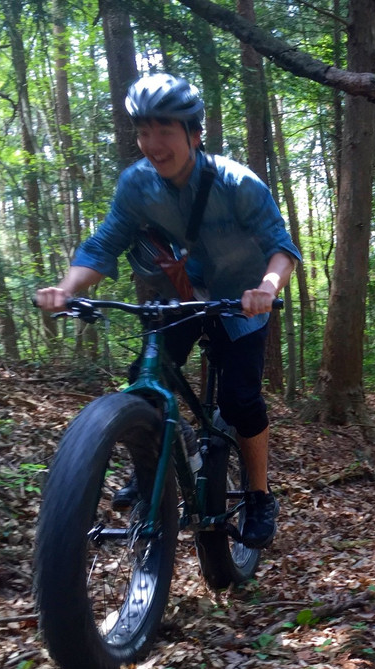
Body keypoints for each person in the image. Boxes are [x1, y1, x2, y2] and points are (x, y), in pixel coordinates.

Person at [34, 73, 300, 549]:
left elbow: (282, 249)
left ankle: (260, 495)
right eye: (143, 132)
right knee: (146, 375)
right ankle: (152, 464)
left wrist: (266, 287)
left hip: (242, 300)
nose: (152, 144)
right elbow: (104, 244)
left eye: (164, 131)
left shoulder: (238, 183)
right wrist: (66, 288)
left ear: (194, 135)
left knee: (240, 400)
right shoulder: (137, 184)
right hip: (185, 294)